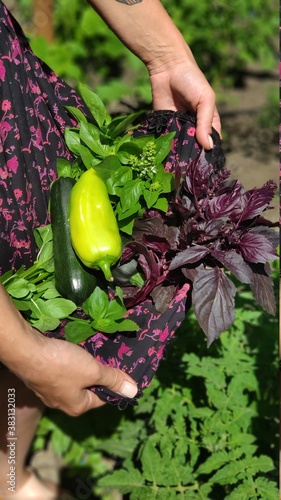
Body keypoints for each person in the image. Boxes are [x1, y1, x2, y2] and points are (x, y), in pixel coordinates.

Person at [0, 0, 221, 498]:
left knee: (37, 316)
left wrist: (165, 53)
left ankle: (9, 478)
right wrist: (30, 355)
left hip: (11, 115)